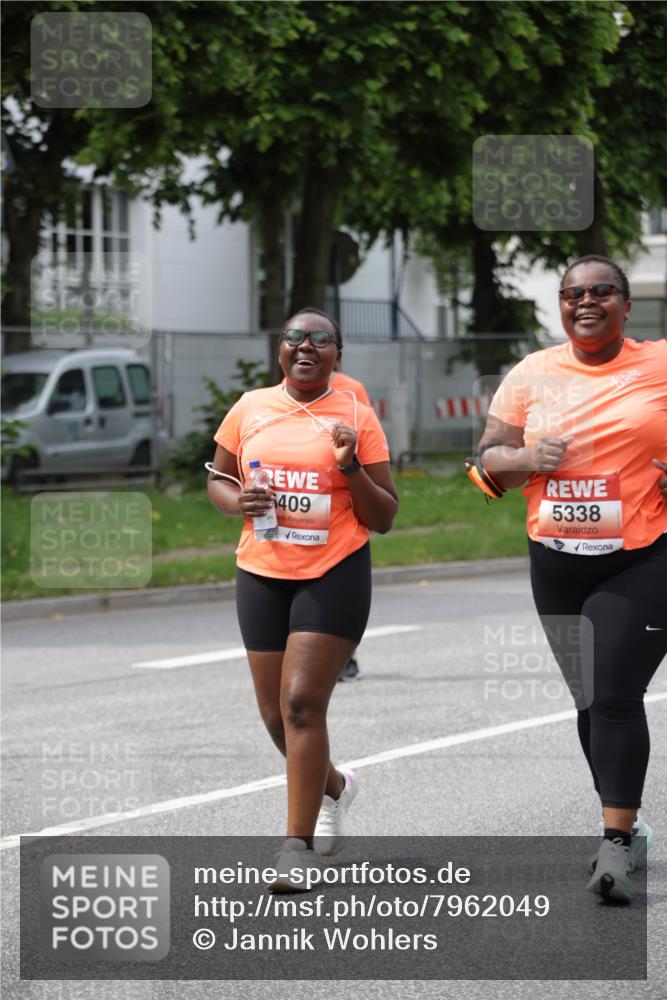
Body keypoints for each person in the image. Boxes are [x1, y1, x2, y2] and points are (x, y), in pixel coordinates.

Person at [469, 255, 667, 903]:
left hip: (642, 555)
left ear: (625, 304)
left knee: (613, 693)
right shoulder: (531, 374)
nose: (585, 302)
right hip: (554, 562)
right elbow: (487, 461)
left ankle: (612, 844)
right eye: (572, 294)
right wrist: (527, 457)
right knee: (588, 703)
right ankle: (627, 825)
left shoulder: (658, 364)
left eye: (600, 292)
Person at [207, 307, 398, 891]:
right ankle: (336, 786)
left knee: (299, 705)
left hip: (333, 572)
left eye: (321, 339)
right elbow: (219, 477)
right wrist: (236, 501)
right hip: (262, 570)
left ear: (338, 355)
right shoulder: (250, 408)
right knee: (274, 719)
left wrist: (351, 468)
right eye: (294, 337)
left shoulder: (356, 415)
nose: (306, 345)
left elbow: (384, 514)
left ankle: (296, 847)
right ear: (280, 351)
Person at [281, 362, 372, 682]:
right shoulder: (283, 389)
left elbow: (364, 438)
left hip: (338, 493)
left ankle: (346, 656)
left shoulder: (352, 388)